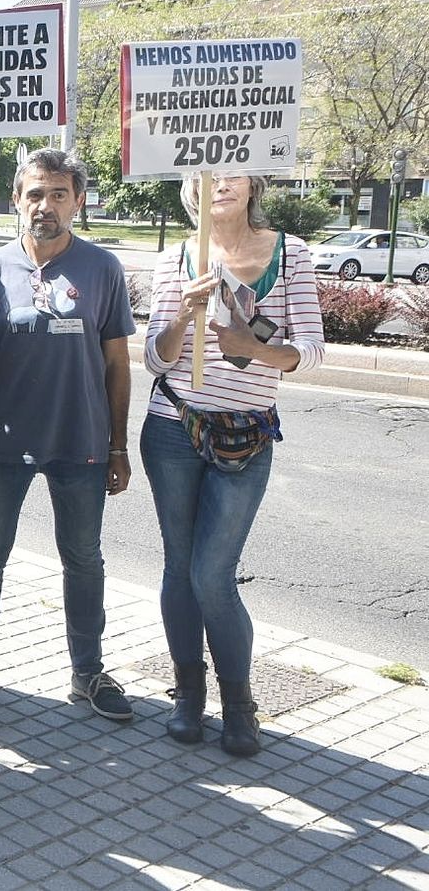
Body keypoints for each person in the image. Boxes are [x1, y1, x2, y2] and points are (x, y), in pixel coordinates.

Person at [0, 148, 136, 721]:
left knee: (83, 559)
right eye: (35, 193)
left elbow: (118, 365)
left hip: (81, 439)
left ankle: (88, 671)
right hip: (3, 439)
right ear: (16, 199)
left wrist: (119, 445)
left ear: (79, 201)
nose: (46, 205)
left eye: (59, 194)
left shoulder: (102, 269)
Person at [141, 173, 324, 756]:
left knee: (212, 575)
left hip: (245, 434)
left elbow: (312, 350)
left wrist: (255, 350)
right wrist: (180, 319)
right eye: (208, 174)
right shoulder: (177, 258)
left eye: (232, 171)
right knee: (179, 568)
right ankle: (187, 697)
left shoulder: (289, 254)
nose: (220, 182)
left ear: (254, 182)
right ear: (191, 187)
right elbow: (153, 356)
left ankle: (239, 704)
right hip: (174, 426)